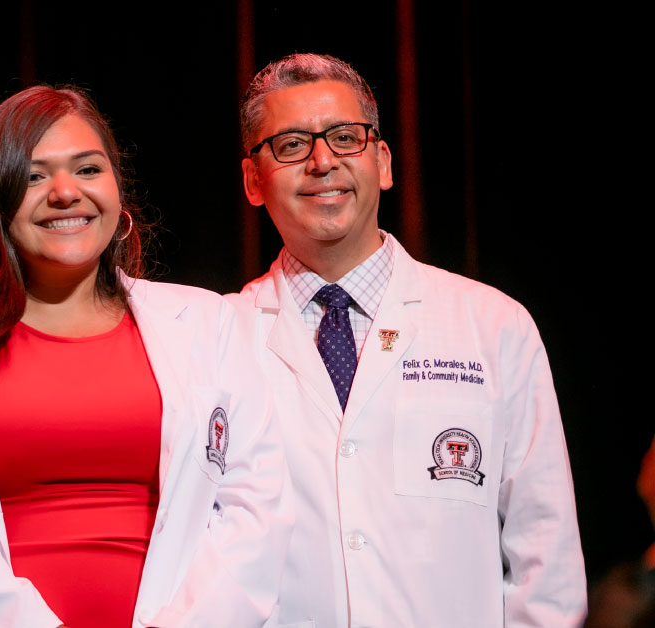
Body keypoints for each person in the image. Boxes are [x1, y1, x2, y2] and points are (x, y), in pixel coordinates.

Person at [0, 86, 291, 628]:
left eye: (88, 170)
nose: (66, 192)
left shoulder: (209, 322)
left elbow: (255, 513)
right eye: (35, 176)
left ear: (116, 189)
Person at [228, 53, 586, 627]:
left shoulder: (493, 325)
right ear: (253, 179)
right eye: (292, 144)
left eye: (346, 137)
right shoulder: (221, 337)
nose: (323, 162)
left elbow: (545, 558)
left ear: (383, 161)